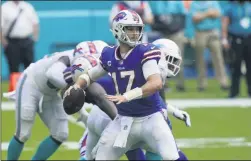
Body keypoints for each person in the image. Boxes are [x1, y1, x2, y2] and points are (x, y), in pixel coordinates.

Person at [64, 10, 179, 160]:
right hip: (124, 120)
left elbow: (155, 83)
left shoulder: (145, 51)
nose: (134, 33)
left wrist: (127, 96)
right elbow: (91, 74)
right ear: (118, 29)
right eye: (130, 28)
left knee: (172, 156)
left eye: (137, 29)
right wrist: (77, 86)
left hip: (151, 118)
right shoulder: (109, 54)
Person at [77, 38, 191, 160]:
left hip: (105, 116)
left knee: (90, 158)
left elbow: (151, 99)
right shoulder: (142, 71)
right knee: (159, 149)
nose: (171, 65)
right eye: (169, 59)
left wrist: (173, 110)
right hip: (116, 118)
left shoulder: (142, 69)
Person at [5, 40, 118, 160]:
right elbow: (52, 75)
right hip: (31, 83)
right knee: (23, 133)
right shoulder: (66, 59)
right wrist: (72, 84)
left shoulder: (87, 66)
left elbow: (96, 95)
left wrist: (83, 109)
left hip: (51, 94)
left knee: (60, 134)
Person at [190, 1, 229, 91]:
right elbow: (195, 18)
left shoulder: (213, 2)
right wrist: (208, 13)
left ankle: (223, 82)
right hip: (200, 33)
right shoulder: (195, 3)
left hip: (213, 32)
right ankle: (202, 84)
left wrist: (202, 15)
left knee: (218, 58)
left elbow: (217, 14)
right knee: (200, 60)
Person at [1, 0, 39, 91]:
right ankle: (15, 92)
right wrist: (4, 43)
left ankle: (30, 90)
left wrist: (34, 38)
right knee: (14, 68)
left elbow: (35, 23)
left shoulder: (27, 6)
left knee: (30, 67)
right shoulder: (4, 7)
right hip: (12, 42)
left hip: (26, 40)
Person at [222, 0, 251, 98]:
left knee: (250, 66)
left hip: (249, 38)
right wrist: (224, 38)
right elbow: (225, 21)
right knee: (235, 66)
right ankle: (234, 92)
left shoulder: (249, 6)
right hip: (236, 39)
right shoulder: (231, 7)